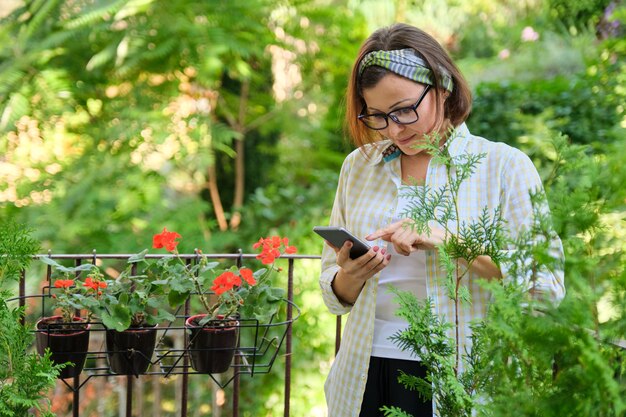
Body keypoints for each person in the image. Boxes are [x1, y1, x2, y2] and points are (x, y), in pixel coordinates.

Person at [319, 23, 565, 417]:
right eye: (378, 116)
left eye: (404, 110)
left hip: (466, 378)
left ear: (443, 87)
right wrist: (352, 274)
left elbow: (545, 288)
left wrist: (450, 241)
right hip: (364, 376)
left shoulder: (503, 167)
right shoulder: (358, 167)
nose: (394, 128)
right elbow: (334, 295)